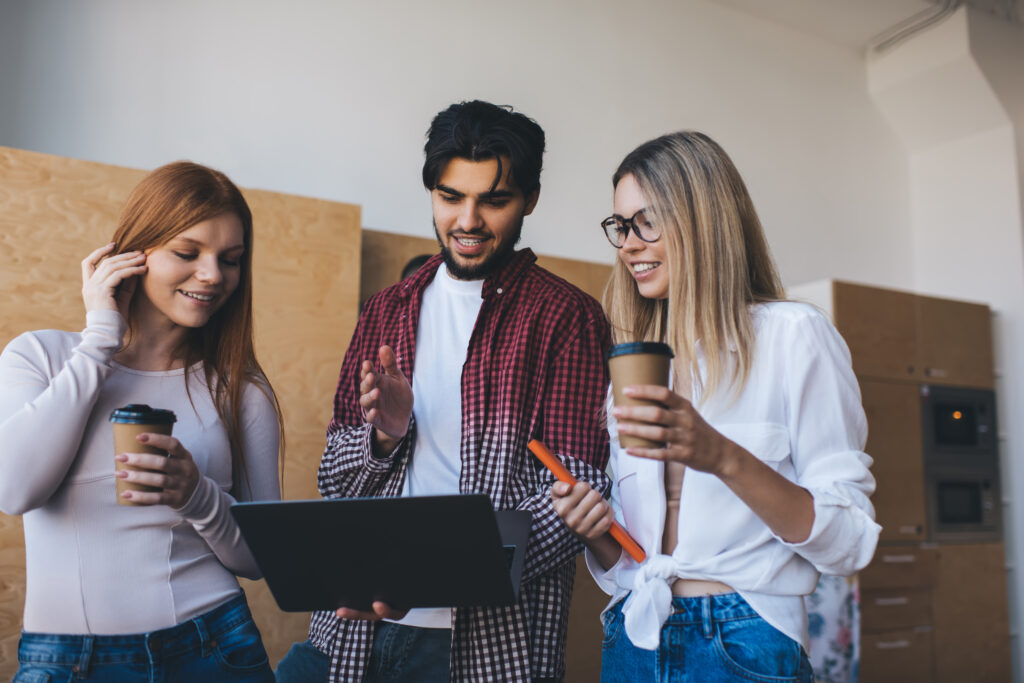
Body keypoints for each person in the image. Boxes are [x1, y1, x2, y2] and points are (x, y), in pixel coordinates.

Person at [275, 100, 611, 683]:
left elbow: (579, 490)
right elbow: (333, 478)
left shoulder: (567, 317)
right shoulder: (385, 310)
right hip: (352, 637)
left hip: (487, 651)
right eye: (451, 197)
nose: (469, 220)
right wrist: (386, 436)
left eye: (494, 200)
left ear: (530, 200)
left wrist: (429, 576)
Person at [550, 131, 880, 681]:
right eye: (620, 226)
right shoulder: (635, 368)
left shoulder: (794, 336)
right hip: (633, 634)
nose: (628, 244)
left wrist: (722, 456)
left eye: (646, 221)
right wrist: (595, 531)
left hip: (741, 637)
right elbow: (628, 562)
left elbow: (848, 544)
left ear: (704, 218)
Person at [0, 161, 284, 682]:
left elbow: (262, 558)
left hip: (213, 648)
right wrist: (100, 338)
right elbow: (14, 489)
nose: (213, 274)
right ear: (135, 252)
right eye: (187, 252)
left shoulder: (240, 391)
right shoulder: (40, 357)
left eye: (231, 259)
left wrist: (197, 495)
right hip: (65, 664)